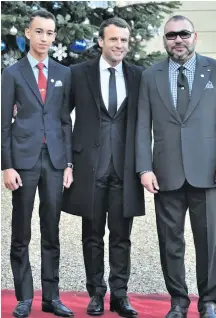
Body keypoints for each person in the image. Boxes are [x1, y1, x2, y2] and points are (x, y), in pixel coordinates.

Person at [136, 15, 216, 318]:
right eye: (170, 36)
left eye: (183, 34)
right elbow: (142, 126)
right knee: (171, 242)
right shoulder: (150, 76)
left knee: (207, 243)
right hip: (165, 173)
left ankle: (208, 302)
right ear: (164, 40)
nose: (177, 40)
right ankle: (178, 301)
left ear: (195, 37)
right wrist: (144, 168)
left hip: (207, 172)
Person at [62, 17, 145, 317]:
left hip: (125, 169)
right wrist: (67, 161)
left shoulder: (139, 76)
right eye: (114, 40)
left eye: (124, 40)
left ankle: (120, 296)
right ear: (100, 41)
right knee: (92, 236)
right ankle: (96, 293)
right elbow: (60, 118)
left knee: (122, 237)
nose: (120, 45)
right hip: (89, 168)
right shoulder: (77, 74)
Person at [1, 9, 74, 318]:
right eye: (39, 32)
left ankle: (52, 297)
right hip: (24, 162)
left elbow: (64, 121)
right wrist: (6, 166)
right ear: (28, 34)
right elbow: (3, 123)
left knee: (51, 230)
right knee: (21, 231)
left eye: (50, 33)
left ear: (54, 36)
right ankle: (24, 297)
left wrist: (68, 162)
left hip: (55, 161)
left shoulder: (63, 74)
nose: (45, 38)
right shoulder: (12, 73)